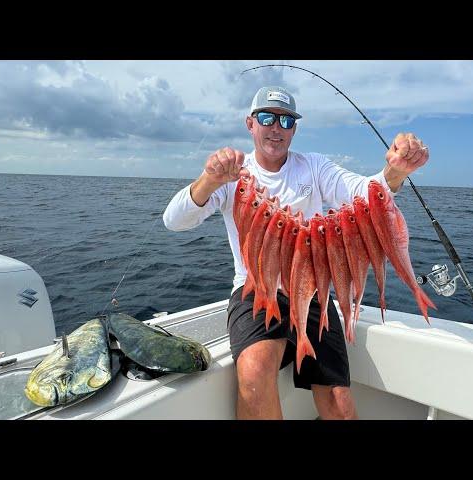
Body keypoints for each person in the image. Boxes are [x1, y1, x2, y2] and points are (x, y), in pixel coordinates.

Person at [163, 85, 429, 419]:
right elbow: (174, 220)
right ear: (250, 124)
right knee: (254, 374)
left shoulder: (313, 166)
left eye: (286, 121)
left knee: (340, 403)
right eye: (267, 118)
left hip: (313, 290)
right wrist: (210, 179)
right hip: (257, 289)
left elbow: (363, 192)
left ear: (294, 129)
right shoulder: (233, 176)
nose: (276, 128)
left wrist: (396, 171)